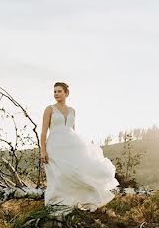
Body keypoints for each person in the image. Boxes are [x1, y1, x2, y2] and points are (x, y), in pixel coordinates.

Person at [40, 81, 118, 218]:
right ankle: (58, 206)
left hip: (71, 144)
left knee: (77, 171)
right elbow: (43, 132)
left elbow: (73, 130)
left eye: (59, 91)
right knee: (59, 175)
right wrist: (43, 150)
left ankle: (77, 202)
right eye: (54, 91)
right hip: (55, 146)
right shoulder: (49, 109)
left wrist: (80, 147)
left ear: (66, 93)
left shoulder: (72, 111)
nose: (56, 94)